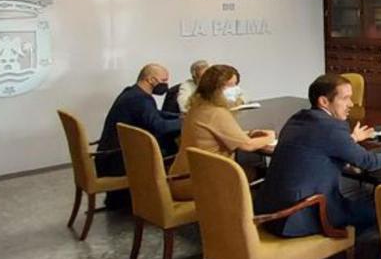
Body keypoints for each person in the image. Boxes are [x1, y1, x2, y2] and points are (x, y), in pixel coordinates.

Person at [256, 73, 381, 237]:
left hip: (271, 210)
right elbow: (368, 162)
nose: (351, 104)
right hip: (300, 214)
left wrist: (351, 139)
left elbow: (317, 144)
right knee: (380, 211)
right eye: (345, 99)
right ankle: (353, 250)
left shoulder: (298, 118)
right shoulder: (332, 127)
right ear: (324, 101)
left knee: (361, 202)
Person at [167, 64, 275, 201]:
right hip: (200, 182)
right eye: (230, 86)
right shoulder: (217, 113)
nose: (235, 90)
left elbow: (218, 134)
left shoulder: (197, 106)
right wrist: (270, 136)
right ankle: (242, 217)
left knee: (251, 169)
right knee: (263, 174)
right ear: (215, 88)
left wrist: (248, 134)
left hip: (182, 176)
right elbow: (247, 146)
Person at [96, 63, 182, 210]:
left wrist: (179, 117)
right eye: (164, 80)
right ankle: (170, 196)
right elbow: (159, 126)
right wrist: (186, 124)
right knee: (174, 148)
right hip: (118, 162)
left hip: (109, 156)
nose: (166, 85)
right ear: (150, 80)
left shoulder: (131, 93)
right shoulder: (140, 100)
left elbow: (155, 114)